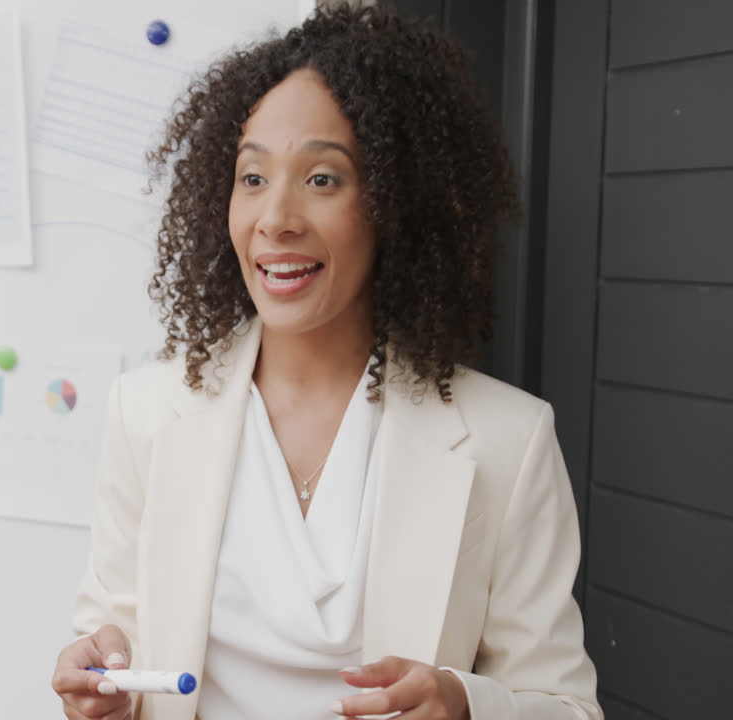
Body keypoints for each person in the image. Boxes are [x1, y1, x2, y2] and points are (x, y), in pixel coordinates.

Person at [50, 5, 601, 720]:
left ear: (395, 204)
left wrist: (466, 704)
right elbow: (112, 644)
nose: (275, 217)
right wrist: (101, 687)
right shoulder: (145, 412)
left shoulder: (509, 441)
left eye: (322, 179)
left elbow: (567, 708)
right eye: (252, 177)